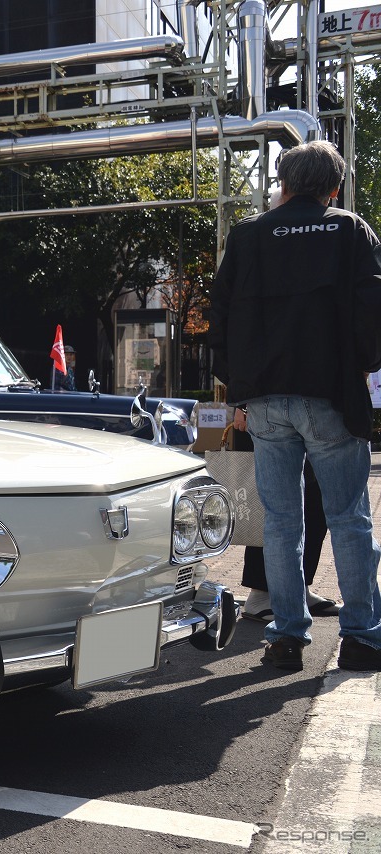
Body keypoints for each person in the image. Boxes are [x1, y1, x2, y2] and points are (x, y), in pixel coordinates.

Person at [208, 140, 381, 672]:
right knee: (349, 516)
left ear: (282, 184)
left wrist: (234, 385)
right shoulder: (349, 230)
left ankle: (287, 639)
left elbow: (220, 315)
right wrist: (365, 374)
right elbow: (372, 311)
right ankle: (362, 638)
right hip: (330, 393)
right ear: (334, 187)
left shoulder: (248, 235)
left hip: (264, 398)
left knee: (281, 522)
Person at [231, 406, 335, 622]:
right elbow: (239, 370)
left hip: (311, 407)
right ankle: (259, 594)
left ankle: (300, 588)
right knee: (272, 507)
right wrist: (240, 405)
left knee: (314, 504)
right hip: (267, 406)